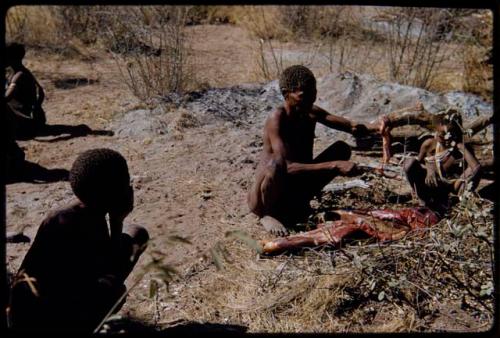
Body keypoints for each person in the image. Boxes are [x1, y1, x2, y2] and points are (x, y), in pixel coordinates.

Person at [9, 148, 149, 333]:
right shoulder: (84, 227)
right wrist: (118, 220)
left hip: (23, 315)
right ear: (115, 191)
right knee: (115, 290)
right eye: (125, 181)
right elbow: (110, 270)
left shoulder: (71, 213)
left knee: (137, 233)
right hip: (49, 321)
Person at [247, 65, 379, 236]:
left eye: (313, 92)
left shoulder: (310, 111)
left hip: (296, 185)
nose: (311, 98)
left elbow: (349, 126)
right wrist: (334, 165)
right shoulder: (277, 119)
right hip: (267, 195)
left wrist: (373, 127)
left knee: (341, 149)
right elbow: (287, 166)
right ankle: (268, 215)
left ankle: (299, 203)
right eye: (304, 95)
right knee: (275, 164)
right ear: (287, 94)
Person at [403, 109, 482, 216]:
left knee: (471, 170)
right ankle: (423, 200)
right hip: (430, 186)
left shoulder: (461, 150)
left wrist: (460, 146)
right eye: (440, 134)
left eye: (448, 134)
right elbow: (416, 165)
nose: (443, 137)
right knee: (409, 162)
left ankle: (460, 202)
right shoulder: (429, 144)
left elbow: (476, 168)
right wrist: (429, 169)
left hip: (450, 190)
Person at [5, 42, 47, 139]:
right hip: (27, 120)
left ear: (11, 58)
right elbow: (40, 92)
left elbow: (6, 98)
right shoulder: (19, 72)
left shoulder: (18, 76)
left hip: (24, 124)